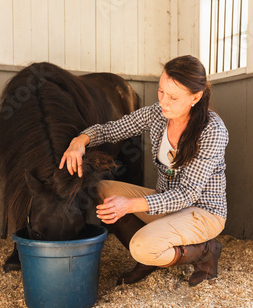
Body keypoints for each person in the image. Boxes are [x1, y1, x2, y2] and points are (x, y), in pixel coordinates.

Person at [59, 55, 228, 287]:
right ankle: (150, 259)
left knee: (142, 248)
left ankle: (205, 251)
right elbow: (111, 130)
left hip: (203, 211)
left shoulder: (212, 130)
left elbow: (187, 194)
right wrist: (80, 140)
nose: (163, 102)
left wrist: (129, 205)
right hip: (164, 204)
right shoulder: (158, 114)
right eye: (160, 92)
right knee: (99, 189)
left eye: (173, 97)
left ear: (195, 97)